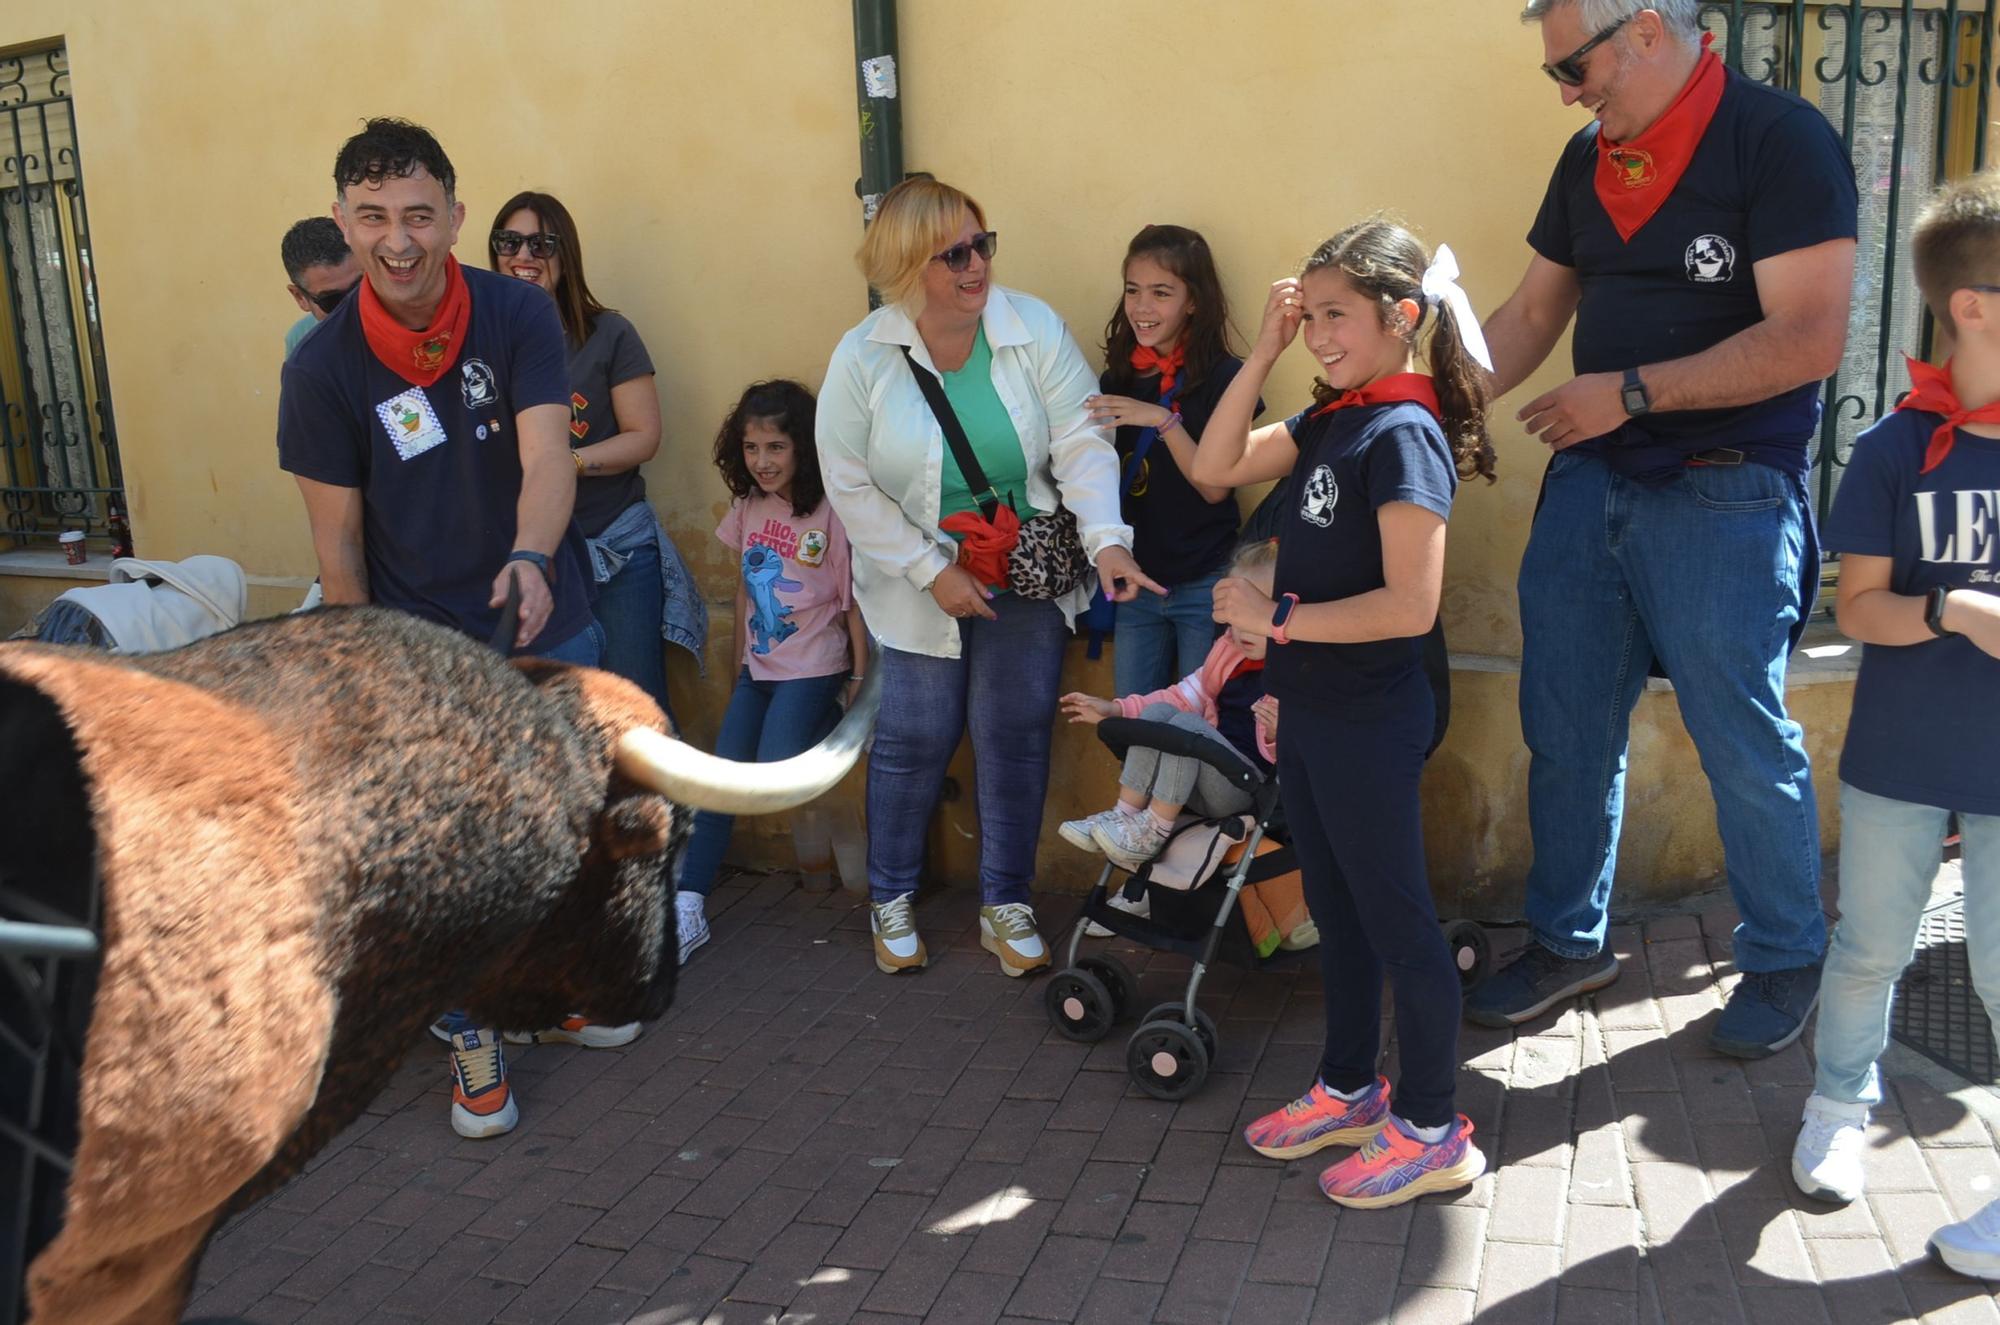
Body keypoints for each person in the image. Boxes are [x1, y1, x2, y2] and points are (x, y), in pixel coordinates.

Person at [1465, 0, 1859, 1058]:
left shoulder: (1777, 139)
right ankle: (1566, 940)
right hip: (1592, 480)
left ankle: (1783, 955)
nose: (1563, 92)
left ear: (1644, 28)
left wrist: (1627, 394)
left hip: (1724, 487)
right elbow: (1530, 313)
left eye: (1572, 66)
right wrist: (1424, 405)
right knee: (1565, 726)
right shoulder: (1586, 156)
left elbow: (1810, 335)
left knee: (1737, 735)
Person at [278, 118, 600, 1140]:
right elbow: (337, 543)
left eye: (418, 214)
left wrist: (530, 556)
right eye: (373, 216)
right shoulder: (321, 368)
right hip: (417, 641)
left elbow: (548, 458)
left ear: (455, 217)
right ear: (344, 222)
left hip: (545, 606)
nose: (398, 238)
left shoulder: (514, 313)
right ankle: (468, 1034)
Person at [1192, 216, 1497, 1208]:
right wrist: (1266, 348)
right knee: (1335, 911)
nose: (1318, 334)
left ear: (1401, 318)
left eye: (1336, 317)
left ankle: (1429, 1125)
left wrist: (1269, 616)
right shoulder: (1331, 418)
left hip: (1373, 715)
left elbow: (1407, 606)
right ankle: (1348, 1086)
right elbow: (1214, 463)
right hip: (1316, 708)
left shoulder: (1400, 435)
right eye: (1308, 314)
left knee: (1398, 920)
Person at [817, 176, 1161, 978]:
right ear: (907, 266)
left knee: (1012, 733)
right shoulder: (863, 354)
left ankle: (1005, 900)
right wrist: (929, 569)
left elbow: (1080, 442)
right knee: (914, 736)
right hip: (912, 578)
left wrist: (1108, 540)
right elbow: (848, 480)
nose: (977, 266)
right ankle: (891, 897)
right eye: (955, 254)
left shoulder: (1031, 327)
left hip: (1024, 568)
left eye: (983, 244)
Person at [1788, 172, 2000, 1279]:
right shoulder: (1891, 449)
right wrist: (1955, 608)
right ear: (1969, 305)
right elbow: (1859, 605)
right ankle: (1835, 1100)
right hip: (1902, 755)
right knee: (1868, 944)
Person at [487, 192, 706, 722]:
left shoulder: (607, 334)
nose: (525, 255)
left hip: (614, 545)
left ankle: (660, 809)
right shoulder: (480, 342)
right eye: (509, 242)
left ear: (568, 254)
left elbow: (642, 436)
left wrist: (568, 463)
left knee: (636, 711)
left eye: (542, 243)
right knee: (547, 716)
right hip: (528, 558)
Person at [675, 379, 866, 962]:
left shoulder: (830, 511)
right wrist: (737, 662)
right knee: (721, 781)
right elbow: (741, 587)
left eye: (776, 448)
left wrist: (856, 680)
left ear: (802, 447)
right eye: (752, 448)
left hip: (815, 666)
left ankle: (831, 727)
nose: (762, 462)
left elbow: (851, 600)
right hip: (760, 668)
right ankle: (687, 905)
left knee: (778, 760)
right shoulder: (748, 508)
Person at [1086, 224, 1257, 695]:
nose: (1142, 307)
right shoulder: (1119, 375)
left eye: (1161, 293)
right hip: (1138, 582)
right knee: (1133, 727)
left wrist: (1161, 419)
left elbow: (1215, 487)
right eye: (1133, 291)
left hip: (1205, 581)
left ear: (1194, 301)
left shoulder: (1226, 378)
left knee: (1198, 725)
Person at [1057, 536, 1277, 871]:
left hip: (1242, 787)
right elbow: (1180, 696)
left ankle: (1153, 830)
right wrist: (1114, 708)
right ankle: (1125, 815)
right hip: (1199, 776)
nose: (1237, 630)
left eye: (1250, 618)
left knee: (1189, 728)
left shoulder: (1294, 672)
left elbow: (1308, 747)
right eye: (1231, 618)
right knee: (1159, 715)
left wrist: (1279, 732)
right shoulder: (1229, 651)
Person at [280, 217, 360, 360]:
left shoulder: (406, 316)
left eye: (360, 288)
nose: (354, 307)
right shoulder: (301, 343)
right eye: (333, 301)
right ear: (300, 297)